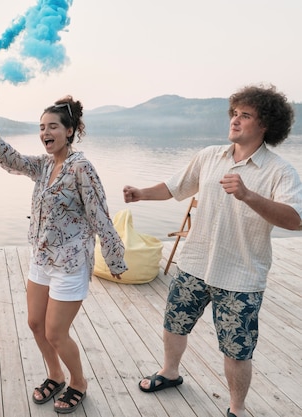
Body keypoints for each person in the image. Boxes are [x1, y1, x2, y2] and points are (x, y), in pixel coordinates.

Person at [123, 84, 302, 417]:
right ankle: (170, 372)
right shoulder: (208, 156)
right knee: (173, 324)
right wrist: (141, 193)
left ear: (265, 125)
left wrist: (249, 195)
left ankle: (236, 408)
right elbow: (175, 187)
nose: (235, 120)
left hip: (241, 277)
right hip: (194, 263)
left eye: (245, 116)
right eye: (234, 113)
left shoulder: (280, 171)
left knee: (237, 351)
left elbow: (295, 220)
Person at [0, 96, 127, 414]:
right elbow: (11, 159)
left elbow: (100, 215)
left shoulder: (81, 167)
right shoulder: (43, 165)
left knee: (56, 332)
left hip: (70, 263)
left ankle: (79, 382)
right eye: (42, 127)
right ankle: (55, 375)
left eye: (53, 126)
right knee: (34, 323)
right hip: (42, 258)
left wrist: (114, 258)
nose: (46, 132)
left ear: (69, 131)